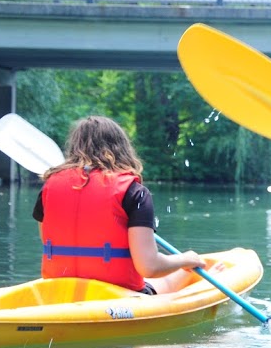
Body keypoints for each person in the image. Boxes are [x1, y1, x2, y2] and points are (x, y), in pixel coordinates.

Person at [33, 116, 206, 294]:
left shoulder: (49, 188)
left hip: (60, 291)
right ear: (122, 148)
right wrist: (185, 260)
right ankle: (205, 275)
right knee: (176, 276)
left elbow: (47, 239)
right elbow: (149, 267)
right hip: (119, 294)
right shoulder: (134, 192)